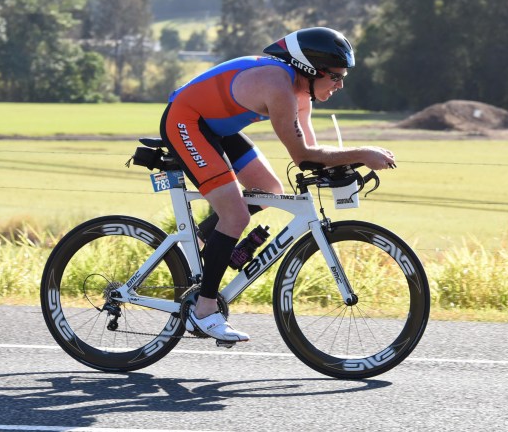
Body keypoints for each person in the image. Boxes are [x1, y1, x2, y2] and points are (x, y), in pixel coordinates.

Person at [159, 27, 395, 342]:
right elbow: (303, 155)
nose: (340, 85)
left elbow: (312, 156)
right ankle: (204, 311)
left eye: (343, 77)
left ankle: (203, 239)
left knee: (269, 191)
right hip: (186, 121)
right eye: (335, 76)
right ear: (311, 70)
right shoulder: (278, 85)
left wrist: (345, 166)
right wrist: (362, 153)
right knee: (235, 216)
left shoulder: (302, 95)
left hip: (216, 127)